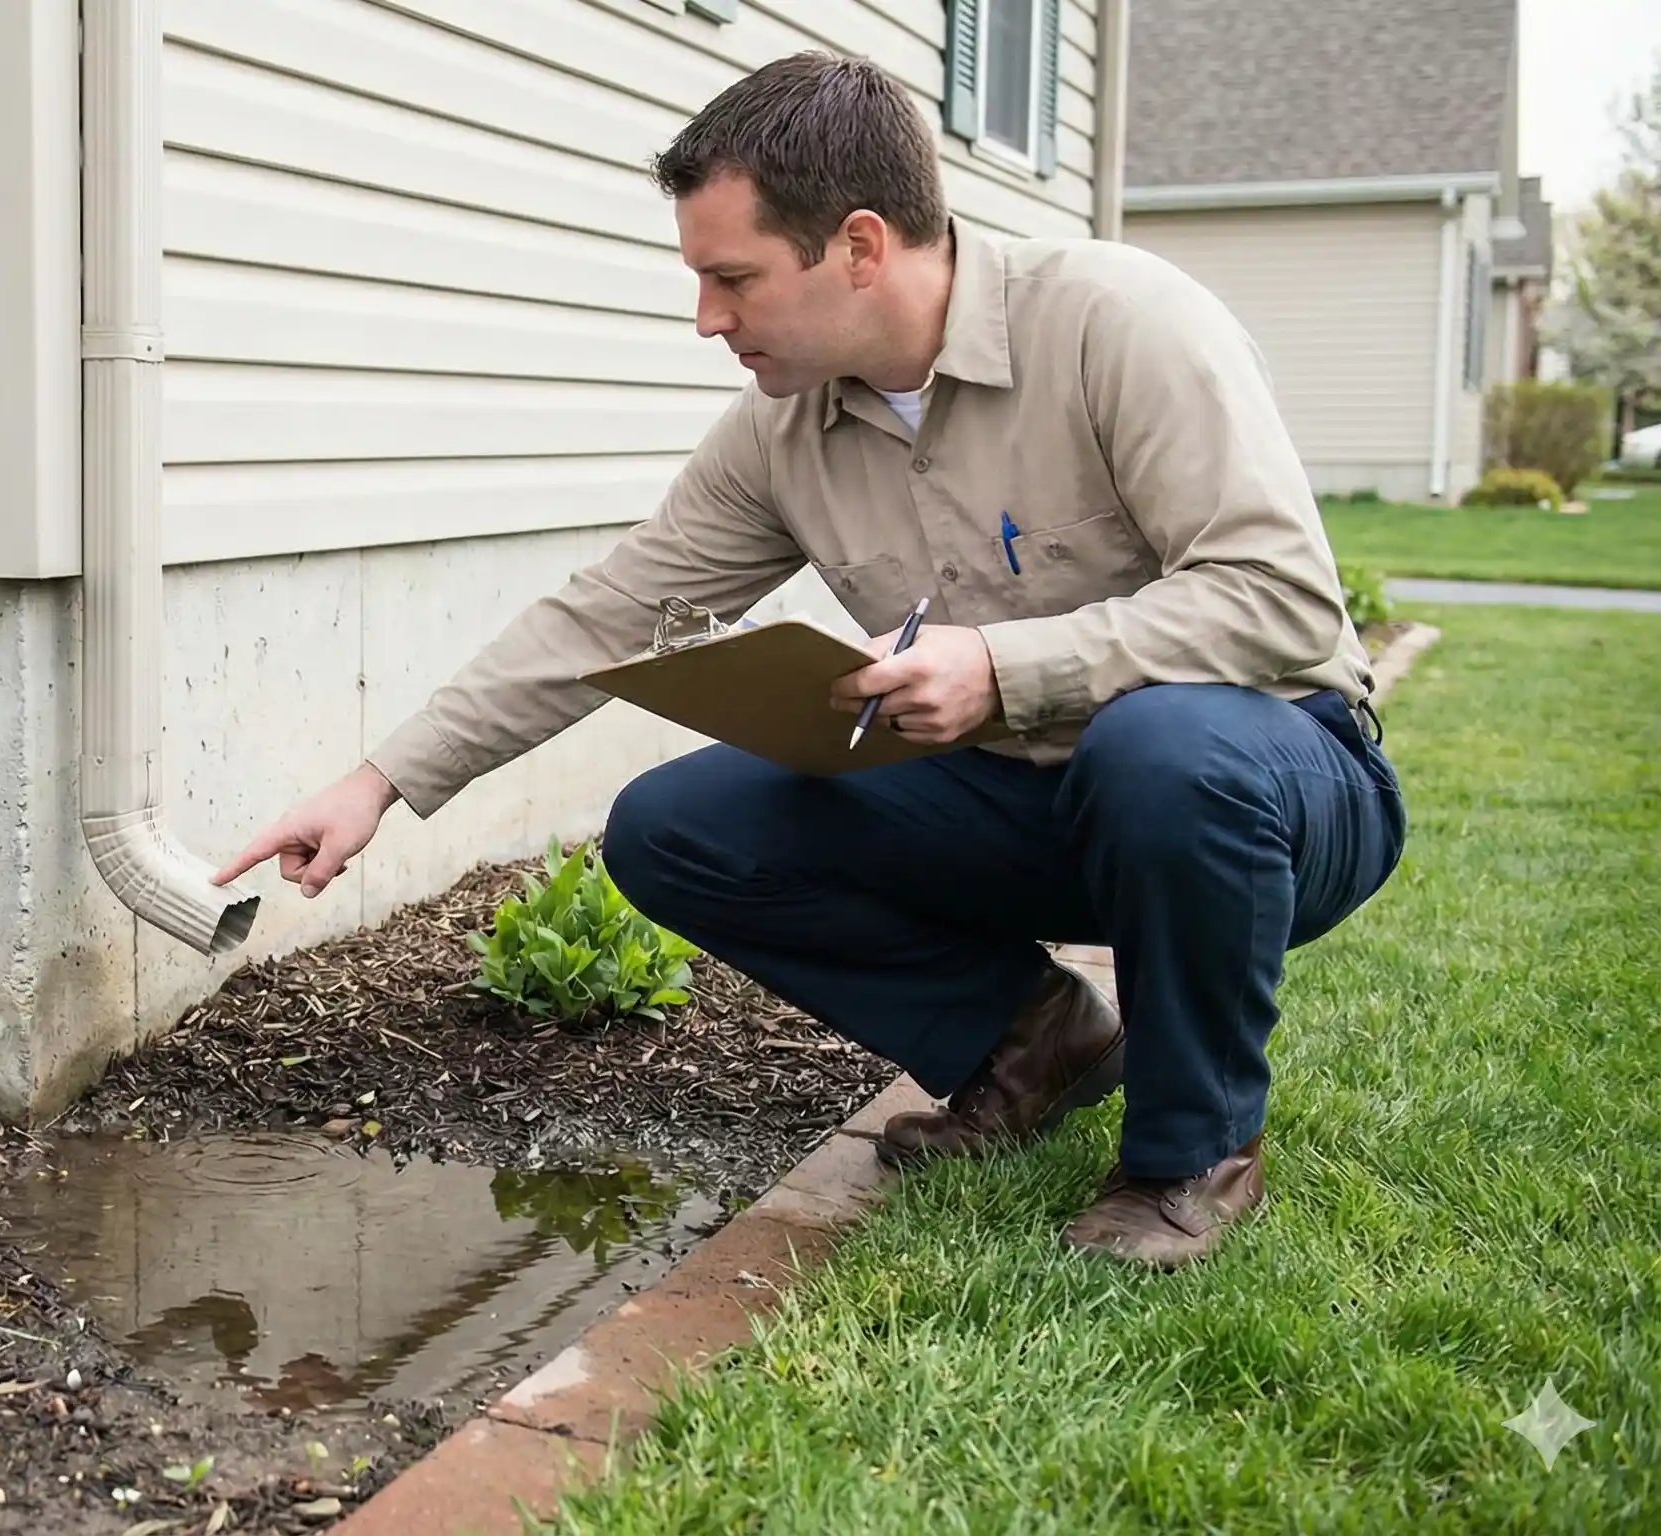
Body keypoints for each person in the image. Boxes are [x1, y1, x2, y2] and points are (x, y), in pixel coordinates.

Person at [209, 53, 1406, 1271]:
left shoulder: (1119, 323)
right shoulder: (784, 429)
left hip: (1267, 783)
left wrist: (999, 665)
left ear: (860, 246)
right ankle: (1031, 1040)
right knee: (676, 823)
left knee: (1160, 746)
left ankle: (1187, 1158)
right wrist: (378, 783)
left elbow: (1274, 597)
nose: (706, 319)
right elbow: (610, 613)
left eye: (731, 279)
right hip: (1028, 798)